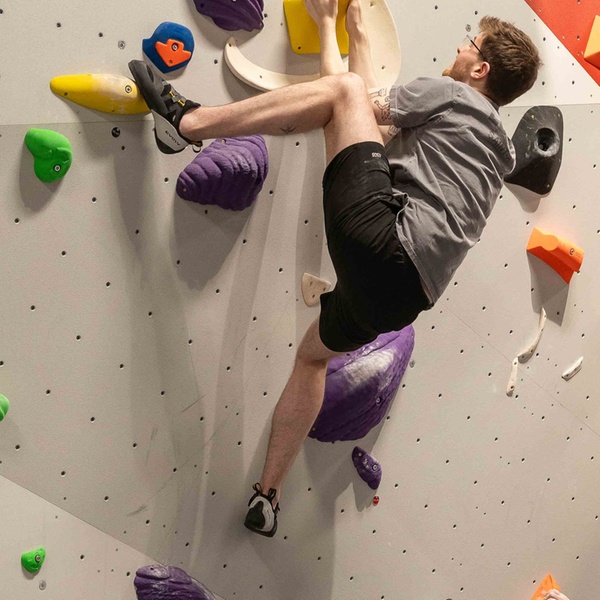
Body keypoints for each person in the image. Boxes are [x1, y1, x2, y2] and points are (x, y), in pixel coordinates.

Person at [128, 0, 542, 537]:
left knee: (345, 93)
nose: (461, 46)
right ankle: (267, 496)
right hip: (400, 300)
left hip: (386, 243)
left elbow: (349, 97)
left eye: (471, 42)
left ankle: (188, 123)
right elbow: (357, 131)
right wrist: (345, 27)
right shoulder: (492, 150)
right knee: (312, 357)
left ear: (480, 69)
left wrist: (335, 32)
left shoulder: (454, 95)